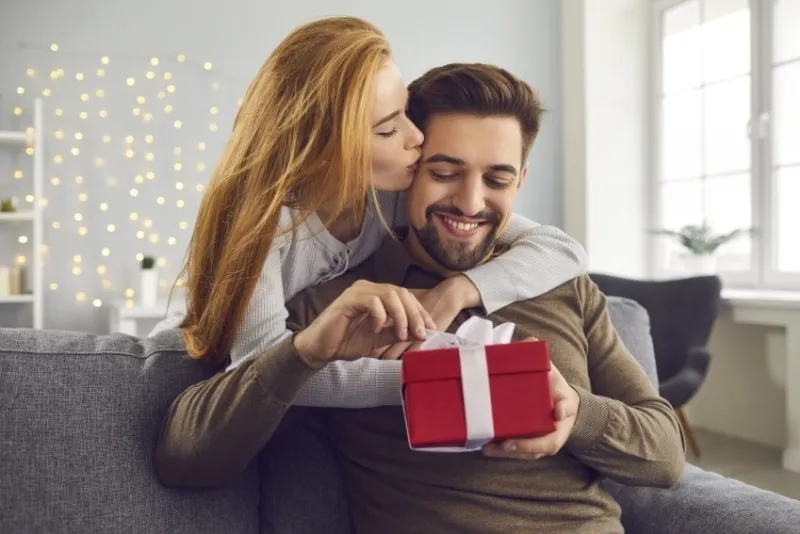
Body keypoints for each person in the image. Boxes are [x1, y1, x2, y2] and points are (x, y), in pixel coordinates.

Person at [156, 62, 686, 533]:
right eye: (444, 173)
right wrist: (303, 355)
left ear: (520, 181)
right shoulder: (337, 306)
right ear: (406, 173)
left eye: (496, 179)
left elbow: (665, 456)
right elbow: (186, 458)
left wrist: (577, 416)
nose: (470, 202)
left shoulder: (564, 287)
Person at [149, 16, 588, 409]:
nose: (417, 137)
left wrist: (458, 290)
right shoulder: (266, 228)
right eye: (388, 128)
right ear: (323, 150)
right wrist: (440, 378)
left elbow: (560, 247)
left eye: (405, 113)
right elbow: (269, 373)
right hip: (178, 378)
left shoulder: (390, 192)